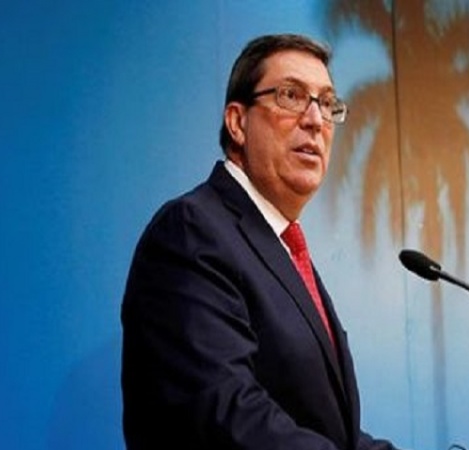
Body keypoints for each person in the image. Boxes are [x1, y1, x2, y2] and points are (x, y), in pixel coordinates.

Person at [121, 34, 402, 450]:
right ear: (238, 122)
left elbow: (335, 436)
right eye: (291, 96)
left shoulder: (281, 247)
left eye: (327, 104)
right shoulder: (191, 231)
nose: (316, 120)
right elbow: (227, 415)